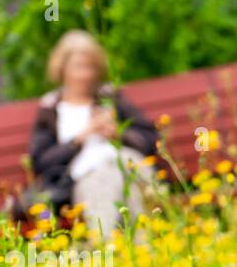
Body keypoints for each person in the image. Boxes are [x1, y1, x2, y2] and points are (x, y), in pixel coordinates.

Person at [29, 30, 159, 237]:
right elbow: (41, 162)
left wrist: (118, 134)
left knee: (123, 168)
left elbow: (151, 141)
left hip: (127, 163)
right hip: (85, 175)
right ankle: (134, 247)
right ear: (62, 69)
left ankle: (119, 248)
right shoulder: (51, 108)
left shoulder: (110, 97)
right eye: (79, 67)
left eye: (91, 67)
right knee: (106, 176)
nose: (86, 74)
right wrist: (80, 138)